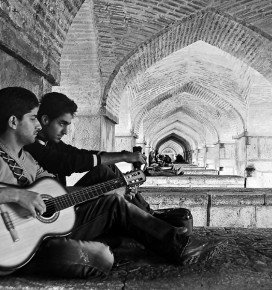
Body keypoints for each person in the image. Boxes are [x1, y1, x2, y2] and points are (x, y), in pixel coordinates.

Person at [0, 87, 220, 278]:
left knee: (112, 204)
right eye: (32, 118)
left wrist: (97, 192)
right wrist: (17, 195)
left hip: (42, 230)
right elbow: (68, 162)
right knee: (101, 257)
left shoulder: (26, 158)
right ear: (13, 121)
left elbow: (53, 190)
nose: (38, 124)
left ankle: (177, 244)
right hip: (14, 247)